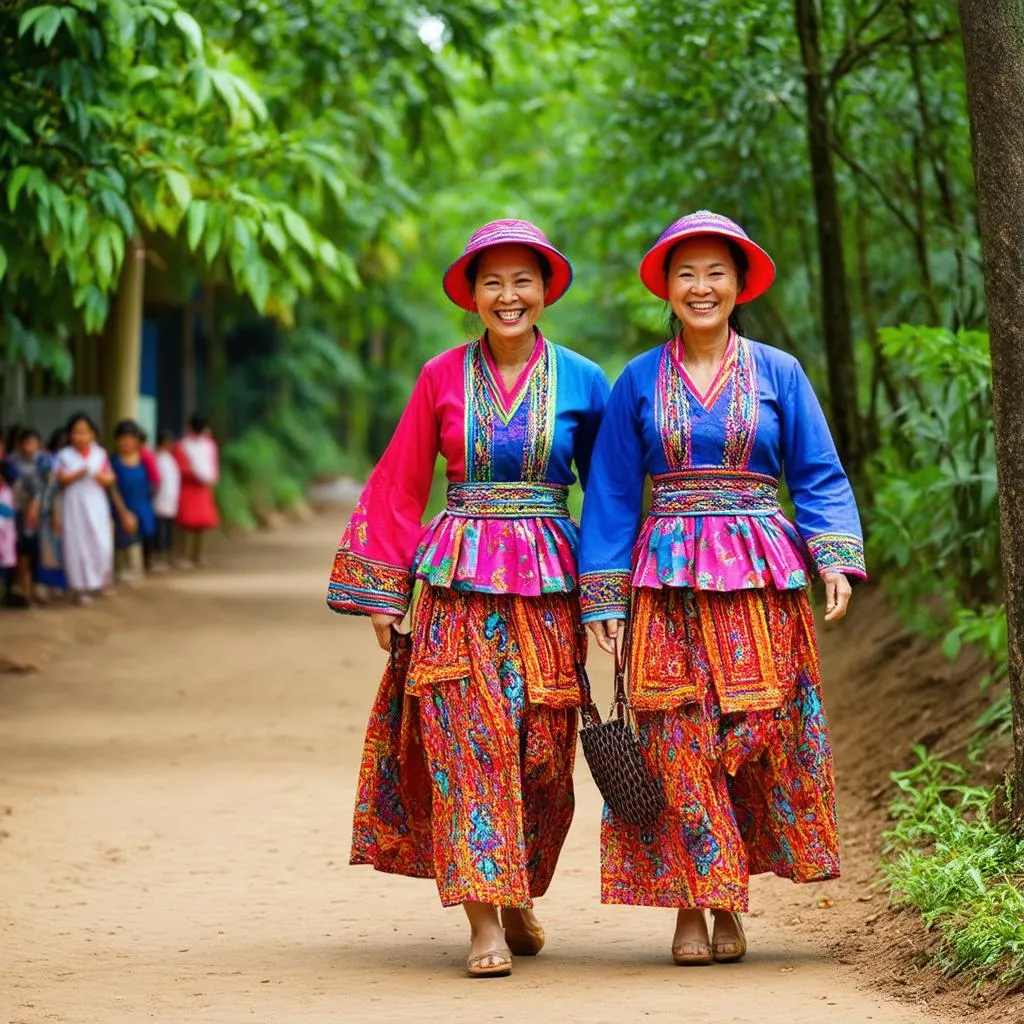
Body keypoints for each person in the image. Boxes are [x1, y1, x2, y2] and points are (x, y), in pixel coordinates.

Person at [578, 210, 866, 965]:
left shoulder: (780, 373)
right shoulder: (639, 380)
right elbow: (609, 492)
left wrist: (832, 557)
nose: (701, 287)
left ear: (739, 285)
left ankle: (729, 889)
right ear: (667, 289)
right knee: (675, 738)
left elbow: (818, 473)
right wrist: (603, 597)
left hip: (762, 584)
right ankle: (691, 903)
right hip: (664, 585)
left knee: (754, 739)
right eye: (686, 273)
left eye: (715, 273)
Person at [327, 219, 609, 978]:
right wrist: (384, 593)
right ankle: (483, 922)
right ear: (473, 295)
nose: (508, 295)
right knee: (466, 745)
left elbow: (611, 492)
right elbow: (400, 479)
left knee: (544, 753)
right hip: (456, 584)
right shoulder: (440, 376)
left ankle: (516, 888)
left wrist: (614, 589)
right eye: (493, 282)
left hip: (550, 587)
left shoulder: (585, 380)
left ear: (546, 291)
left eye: (523, 281)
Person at [54, 413, 118, 605]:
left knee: (101, 542)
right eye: (76, 432)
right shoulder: (64, 455)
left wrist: (98, 475)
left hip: (96, 502)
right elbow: (61, 478)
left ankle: (99, 580)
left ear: (92, 434)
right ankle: (80, 588)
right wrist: (81, 472)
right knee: (77, 545)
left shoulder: (100, 454)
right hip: (74, 504)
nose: (80, 437)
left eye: (84, 432)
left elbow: (110, 478)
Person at [110, 419, 157, 579]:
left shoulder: (145, 459)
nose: (127, 442)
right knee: (124, 559)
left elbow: (154, 482)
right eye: (123, 438)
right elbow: (112, 490)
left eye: (131, 438)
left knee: (139, 562)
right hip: (121, 512)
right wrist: (123, 513)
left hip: (143, 509)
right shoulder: (112, 461)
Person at [10, 428, 52, 605]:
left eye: (34, 443)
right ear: (19, 445)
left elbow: (49, 487)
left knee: (37, 553)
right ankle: (23, 590)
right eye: (27, 443)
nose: (30, 447)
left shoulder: (44, 462)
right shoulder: (12, 464)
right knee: (23, 552)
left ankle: (36, 590)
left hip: (41, 516)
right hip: (20, 514)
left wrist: (40, 505)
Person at [175, 415, 219, 566]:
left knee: (202, 523)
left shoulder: (208, 445)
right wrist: (194, 474)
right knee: (186, 523)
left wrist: (210, 477)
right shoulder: (183, 445)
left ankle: (198, 555)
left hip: (203, 487)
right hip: (188, 486)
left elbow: (213, 464)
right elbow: (181, 466)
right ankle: (183, 556)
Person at [35, 428, 68, 594]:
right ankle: (44, 583)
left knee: (60, 547)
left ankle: (58, 584)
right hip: (48, 509)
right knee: (47, 546)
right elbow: (48, 489)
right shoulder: (46, 460)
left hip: (67, 509)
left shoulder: (68, 460)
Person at [152, 429, 180, 570]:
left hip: (170, 501)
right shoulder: (157, 459)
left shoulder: (170, 459)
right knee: (160, 533)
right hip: (159, 501)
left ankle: (167, 557)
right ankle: (157, 559)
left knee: (168, 532)